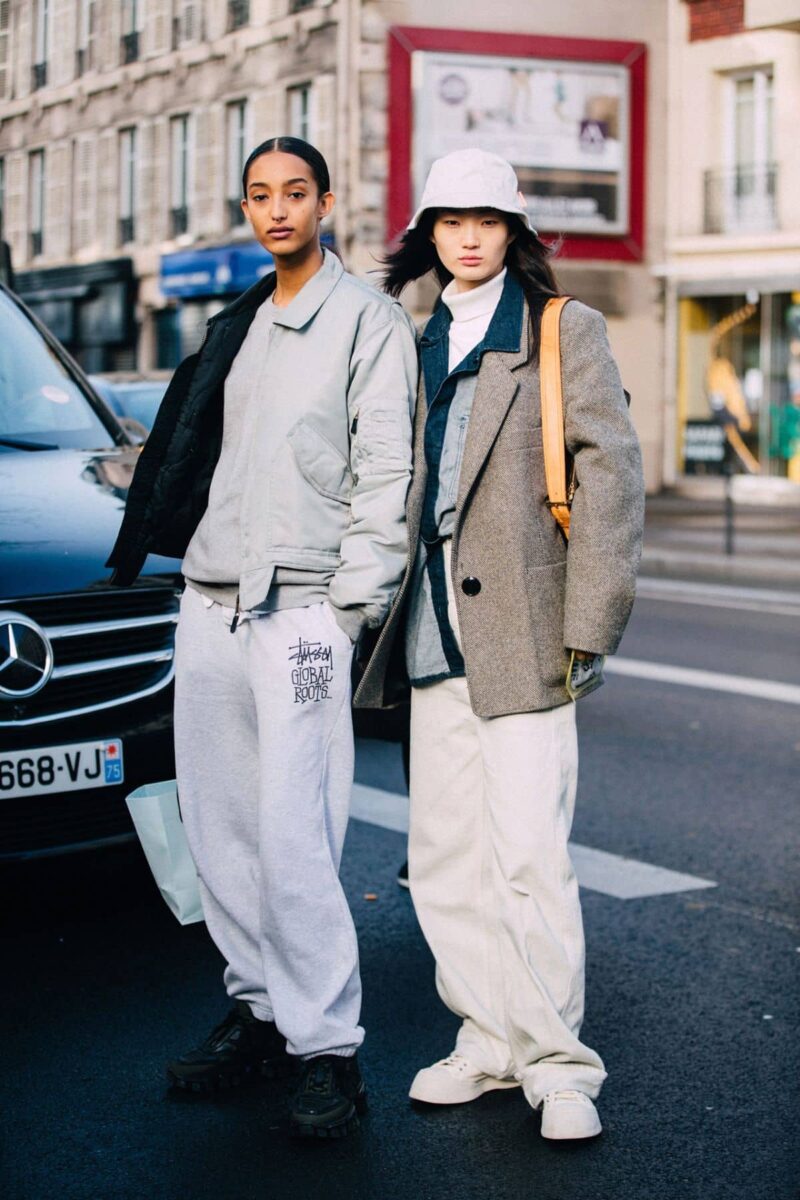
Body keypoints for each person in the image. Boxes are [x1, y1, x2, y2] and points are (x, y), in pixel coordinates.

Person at [107, 136, 417, 1139]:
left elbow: (387, 476)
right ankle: (259, 1014)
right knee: (222, 829)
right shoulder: (234, 320)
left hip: (303, 611)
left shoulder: (365, 322)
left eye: (294, 193)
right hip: (206, 601)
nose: (276, 210)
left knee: (295, 836)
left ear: (327, 201)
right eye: (259, 196)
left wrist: (349, 607)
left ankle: (328, 1050)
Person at [356, 148, 645, 1140]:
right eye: (449, 220)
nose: (468, 236)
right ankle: (484, 1037)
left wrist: (588, 624)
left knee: (526, 851)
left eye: (486, 219)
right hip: (430, 627)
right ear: (427, 233)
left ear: (512, 230)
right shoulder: (409, 335)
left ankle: (558, 1064)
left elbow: (608, 475)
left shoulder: (564, 331)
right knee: (443, 857)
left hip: (523, 630)